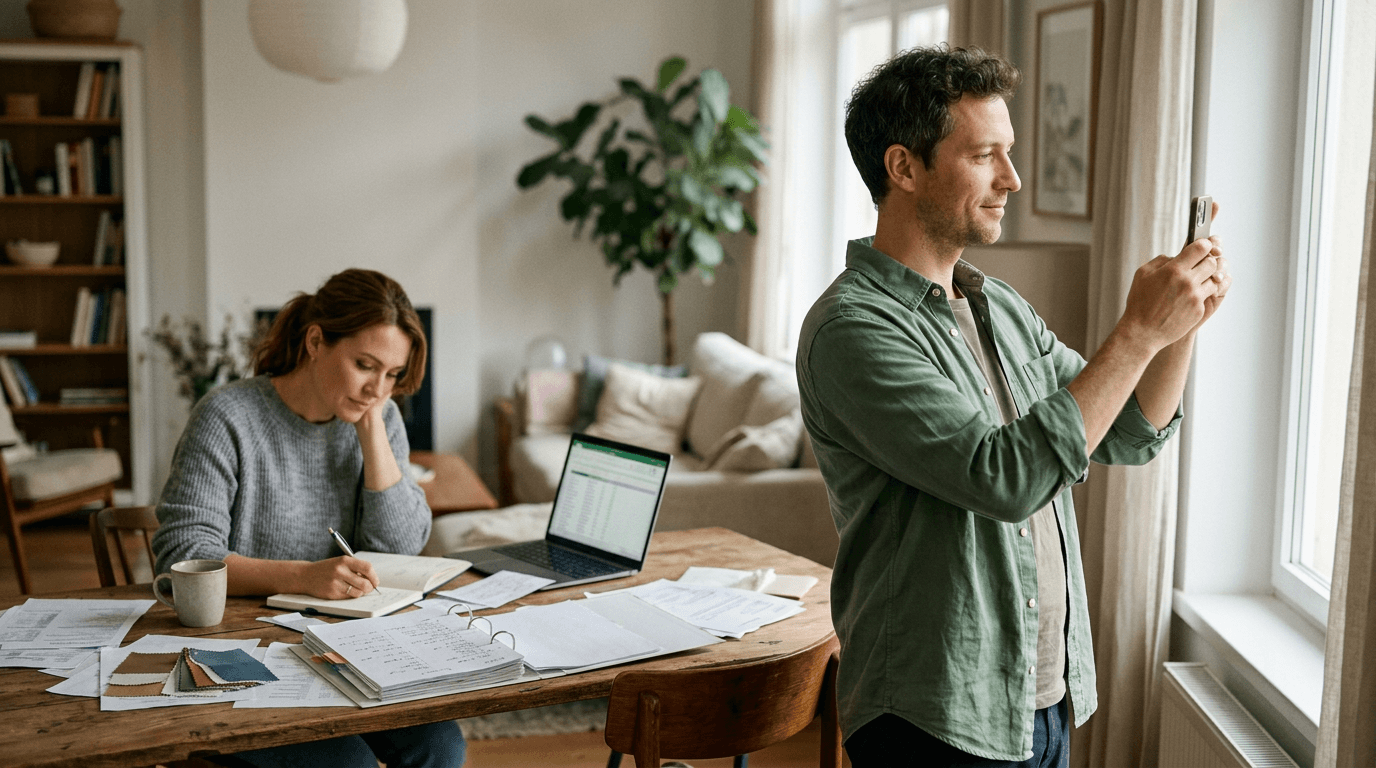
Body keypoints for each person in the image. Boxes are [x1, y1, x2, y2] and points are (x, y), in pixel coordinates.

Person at [796, 46, 1230, 766]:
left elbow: (1126, 431)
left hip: (1041, 696)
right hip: (933, 712)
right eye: (985, 155)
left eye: (1011, 153)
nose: (1013, 179)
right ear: (903, 168)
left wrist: (1180, 327)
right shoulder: (852, 330)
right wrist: (1138, 332)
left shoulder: (998, 307)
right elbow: (1003, 478)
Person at [152, 268, 465, 768]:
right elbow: (184, 560)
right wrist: (305, 576)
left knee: (442, 746)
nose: (377, 389)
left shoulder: (378, 415)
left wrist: (373, 433)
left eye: (391, 376)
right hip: (244, 652)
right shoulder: (228, 416)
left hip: (346, 647)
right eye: (364, 365)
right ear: (316, 341)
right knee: (350, 765)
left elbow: (402, 545)